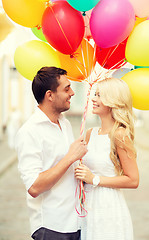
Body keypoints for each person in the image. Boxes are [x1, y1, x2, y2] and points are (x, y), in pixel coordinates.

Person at [15, 67, 88, 240]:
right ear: (50, 95)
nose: (72, 93)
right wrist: (70, 157)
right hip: (52, 227)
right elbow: (34, 187)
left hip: (76, 222)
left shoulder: (65, 123)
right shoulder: (29, 132)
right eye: (66, 88)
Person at [75, 77, 139, 240]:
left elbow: (133, 180)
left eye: (99, 95)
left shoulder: (119, 135)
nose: (93, 99)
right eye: (95, 94)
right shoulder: (90, 133)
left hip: (108, 207)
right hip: (87, 206)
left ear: (113, 101)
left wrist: (94, 179)